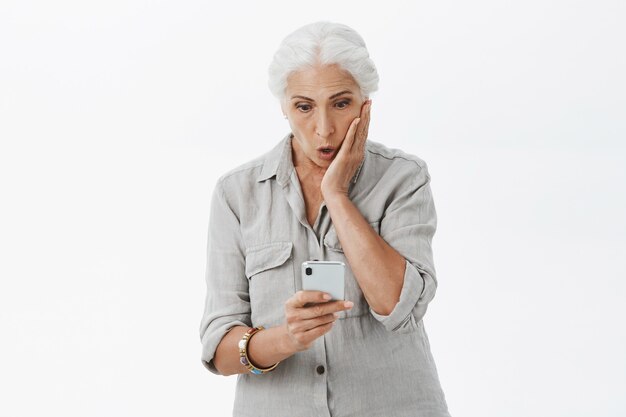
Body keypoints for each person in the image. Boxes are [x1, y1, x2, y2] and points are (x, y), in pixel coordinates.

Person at [199, 21, 451, 417]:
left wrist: (337, 195)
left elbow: (398, 306)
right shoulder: (237, 194)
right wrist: (286, 339)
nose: (324, 128)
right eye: (304, 106)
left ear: (365, 104)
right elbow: (219, 350)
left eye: (341, 103)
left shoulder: (403, 179)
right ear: (283, 106)